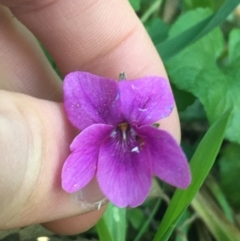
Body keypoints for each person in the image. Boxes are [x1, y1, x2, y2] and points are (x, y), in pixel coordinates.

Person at [0, 0, 181, 235]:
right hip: (111, 120)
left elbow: (79, 88)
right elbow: (79, 89)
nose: (125, 134)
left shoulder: (128, 125)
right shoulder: (130, 118)